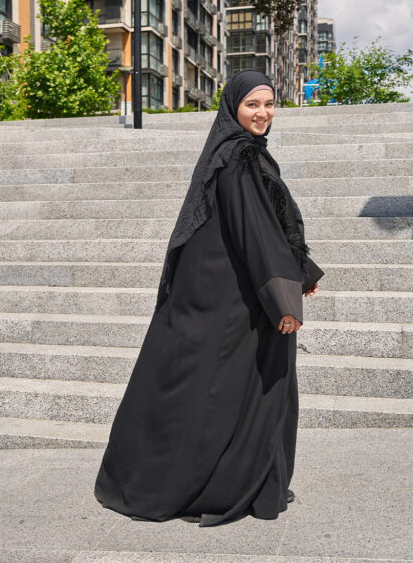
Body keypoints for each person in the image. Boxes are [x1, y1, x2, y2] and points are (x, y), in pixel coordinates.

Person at [93, 70, 320, 527]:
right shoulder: (239, 159)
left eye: (270, 104)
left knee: (209, 390)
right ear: (233, 108)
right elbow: (255, 233)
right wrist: (285, 302)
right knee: (225, 390)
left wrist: (302, 271)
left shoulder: (235, 153)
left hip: (224, 294)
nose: (263, 113)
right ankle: (221, 483)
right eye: (253, 105)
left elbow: (264, 228)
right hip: (235, 301)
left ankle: (184, 475)